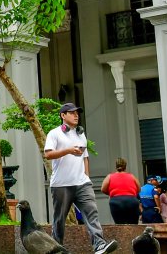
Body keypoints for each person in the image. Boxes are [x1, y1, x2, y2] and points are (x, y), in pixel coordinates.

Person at [43, 102, 119, 254]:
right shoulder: (54, 133)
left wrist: (87, 177)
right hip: (61, 185)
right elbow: (48, 154)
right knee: (59, 219)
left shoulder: (81, 134)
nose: (76, 115)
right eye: (72, 113)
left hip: (82, 183)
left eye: (77, 112)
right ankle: (56, 248)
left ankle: (99, 245)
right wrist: (68, 151)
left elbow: (85, 156)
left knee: (92, 214)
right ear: (63, 116)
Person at [102, 158, 141, 224]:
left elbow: (103, 189)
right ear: (125, 166)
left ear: (116, 166)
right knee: (133, 225)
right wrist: (131, 194)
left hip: (116, 201)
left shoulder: (109, 176)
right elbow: (139, 189)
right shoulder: (132, 176)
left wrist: (112, 194)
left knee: (119, 225)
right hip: (131, 201)